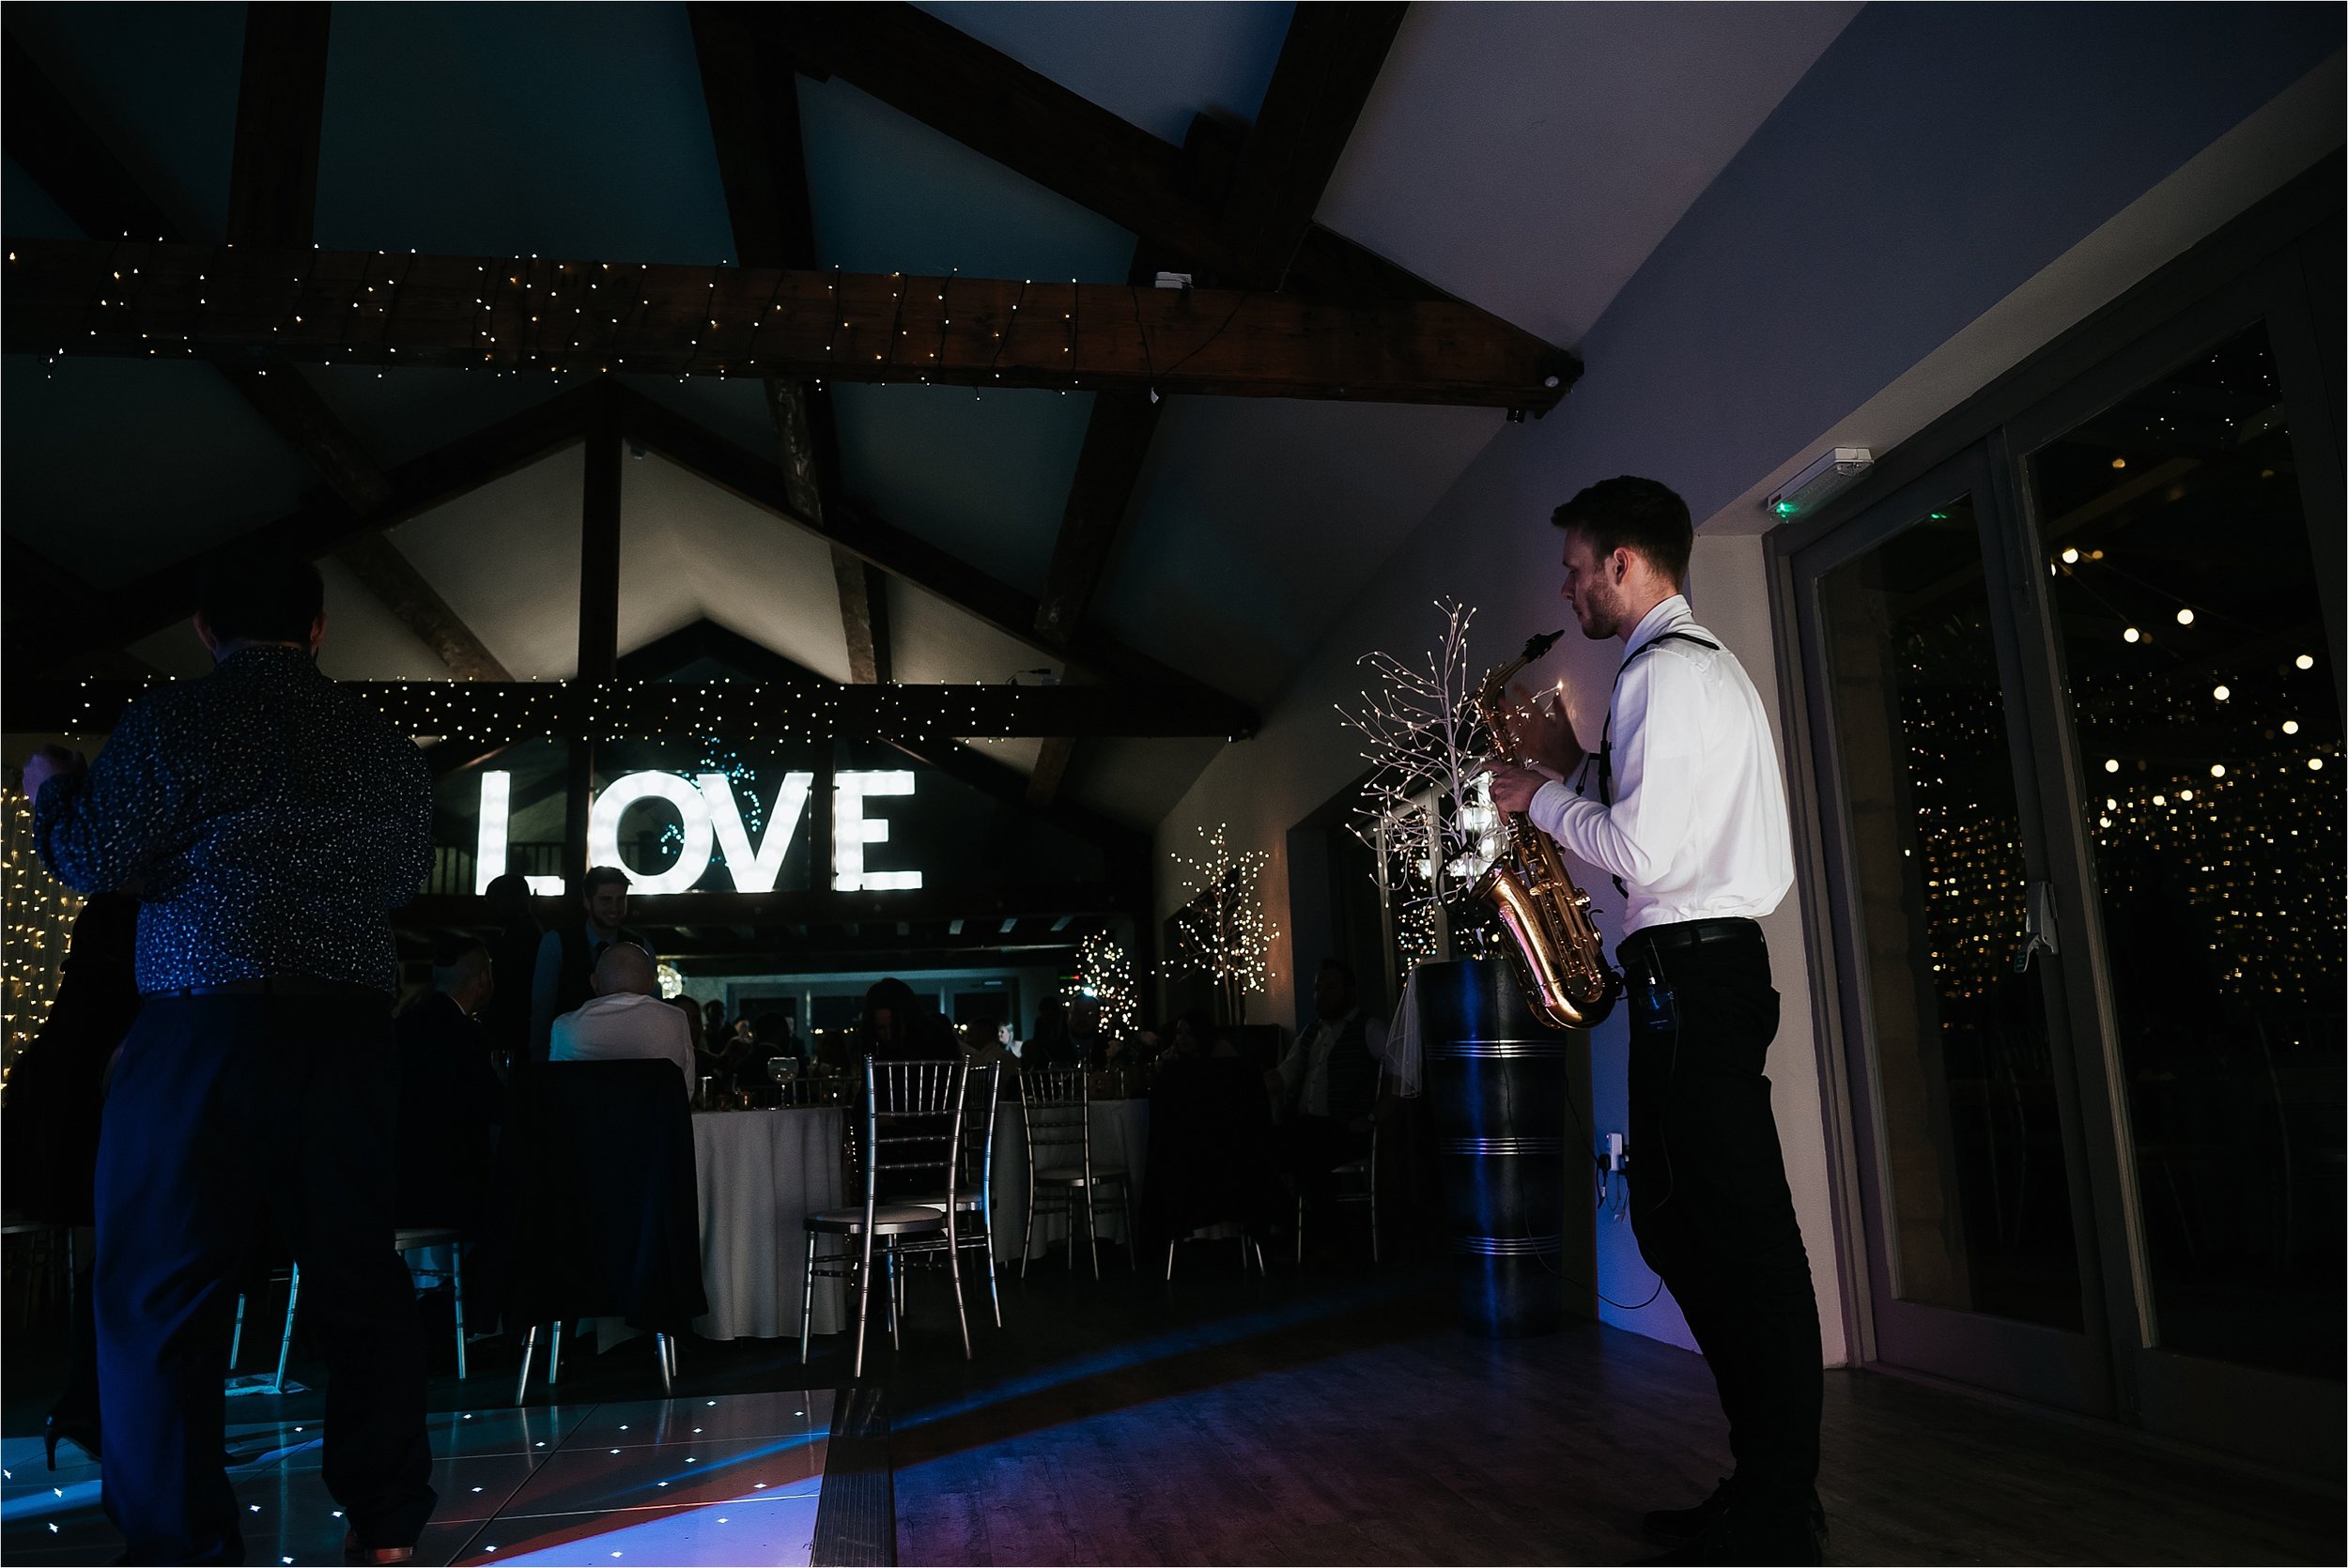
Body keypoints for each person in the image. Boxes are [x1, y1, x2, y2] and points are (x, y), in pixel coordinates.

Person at [25, 549, 437, 1564]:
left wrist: (51, 792)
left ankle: (182, 1537)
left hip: (202, 1029)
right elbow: (396, 878)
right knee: (357, 1279)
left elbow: (92, 860)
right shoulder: (380, 740)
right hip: (344, 1029)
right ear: (319, 628)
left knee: (161, 1289)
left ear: (206, 629)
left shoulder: (172, 722)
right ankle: (385, 1521)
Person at [1484, 475, 1817, 1564]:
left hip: (1694, 974)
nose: (1568, 585)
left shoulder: (1664, 676)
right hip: (1703, 975)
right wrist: (1563, 760)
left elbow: (1642, 851)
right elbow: (1648, 809)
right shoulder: (1686, 673)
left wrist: (1533, 799)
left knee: (1732, 1239)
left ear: (1627, 563)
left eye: (1578, 565)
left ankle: (1777, 1499)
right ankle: (1768, 1485)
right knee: (1706, 1228)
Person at [2, 893, 141, 1469]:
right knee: (117, 1266)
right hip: (103, 1118)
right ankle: (97, 1408)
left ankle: (88, 1407)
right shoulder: (123, 1003)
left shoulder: (80, 1008)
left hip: (73, 1120)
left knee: (105, 1265)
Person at [1267, 960, 1395, 1236]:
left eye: (1330, 987)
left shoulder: (1369, 1029)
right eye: (1317, 988)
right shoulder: (1310, 1034)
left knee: (1308, 1148)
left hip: (1345, 1128)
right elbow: (1284, 1075)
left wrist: (1373, 1117)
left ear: (1349, 992)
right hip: (1308, 1128)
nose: (1321, 994)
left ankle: (1327, 1233)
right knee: (1257, 1148)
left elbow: (1400, 1075)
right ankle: (1296, 1227)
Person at [392, 939, 504, 1235]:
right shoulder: (467, 1034)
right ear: (483, 979)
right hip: (452, 1181)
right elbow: (492, 1103)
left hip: (399, 1177)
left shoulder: (403, 1025)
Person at [528, 867, 651, 1063]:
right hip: (571, 1056)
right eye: (606, 900)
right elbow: (542, 1009)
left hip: (627, 1057)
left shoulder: (642, 946)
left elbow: (653, 1009)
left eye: (621, 899)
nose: (615, 907)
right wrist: (540, 1063)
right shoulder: (557, 943)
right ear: (587, 901)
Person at [548, 942, 696, 1092]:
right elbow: (685, 1091)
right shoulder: (675, 1019)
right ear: (652, 983)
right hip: (656, 1115)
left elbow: (556, 1090)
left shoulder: (565, 1027)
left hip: (585, 1115)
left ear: (594, 982)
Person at [478, 872, 541, 1068]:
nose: (490, 906)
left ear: (518, 900)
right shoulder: (527, 931)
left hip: (512, 1030)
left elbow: (508, 986)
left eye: (495, 900)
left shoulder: (519, 936)